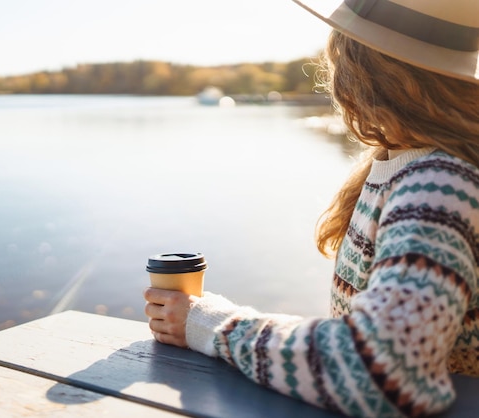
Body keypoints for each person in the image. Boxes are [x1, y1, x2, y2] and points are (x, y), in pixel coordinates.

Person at [143, 0, 479, 416]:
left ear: (364, 69)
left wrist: (211, 325)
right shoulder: (402, 162)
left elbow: (382, 370)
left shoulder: (439, 185)